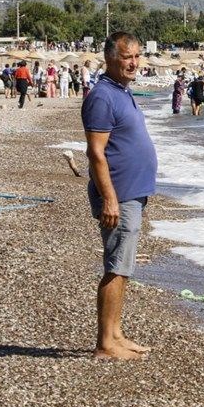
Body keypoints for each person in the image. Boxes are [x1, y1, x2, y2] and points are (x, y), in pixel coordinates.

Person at [82, 31, 157, 360]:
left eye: (137, 56)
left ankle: (115, 334)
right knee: (116, 266)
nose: (133, 62)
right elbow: (96, 153)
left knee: (123, 266)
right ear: (110, 59)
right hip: (119, 196)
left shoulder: (121, 91)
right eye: (127, 57)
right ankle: (105, 344)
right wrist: (109, 199)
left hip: (131, 193)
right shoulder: (102, 97)